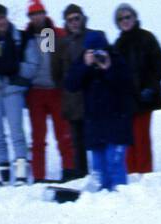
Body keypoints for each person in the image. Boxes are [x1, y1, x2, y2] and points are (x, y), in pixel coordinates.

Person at [66, 30, 135, 189]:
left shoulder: (116, 59)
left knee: (114, 163)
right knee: (99, 168)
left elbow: (127, 86)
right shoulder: (83, 62)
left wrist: (108, 68)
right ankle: (103, 203)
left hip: (117, 121)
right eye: (92, 51)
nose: (96, 55)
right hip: (95, 124)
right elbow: (70, 84)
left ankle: (120, 199)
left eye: (99, 50)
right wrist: (84, 65)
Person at [111, 4, 161, 175]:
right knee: (128, 140)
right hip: (126, 100)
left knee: (141, 137)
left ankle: (145, 174)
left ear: (135, 18)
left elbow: (159, 65)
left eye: (128, 17)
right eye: (121, 18)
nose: (125, 21)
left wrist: (151, 88)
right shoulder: (118, 44)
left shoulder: (147, 38)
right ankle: (131, 174)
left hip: (145, 98)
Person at [22, 2, 75, 182]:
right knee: (38, 137)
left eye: (39, 13)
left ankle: (68, 170)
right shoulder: (25, 36)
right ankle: (38, 176)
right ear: (29, 17)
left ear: (44, 14)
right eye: (33, 14)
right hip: (35, 92)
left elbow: (51, 61)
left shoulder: (53, 33)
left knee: (63, 134)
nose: (37, 17)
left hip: (55, 90)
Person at [0, 5, 31, 184]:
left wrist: (18, 71)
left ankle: (21, 172)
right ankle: (2, 172)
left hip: (12, 89)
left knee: (17, 132)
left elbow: (34, 62)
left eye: (2, 17)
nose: (0, 21)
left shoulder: (21, 37)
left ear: (7, 17)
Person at [55, 5, 92, 178]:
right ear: (66, 22)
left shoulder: (94, 36)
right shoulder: (60, 43)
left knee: (99, 139)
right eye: (70, 20)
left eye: (77, 18)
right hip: (72, 100)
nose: (74, 22)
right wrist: (68, 86)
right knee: (77, 142)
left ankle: (102, 175)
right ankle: (81, 174)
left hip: (93, 98)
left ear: (82, 18)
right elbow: (55, 72)